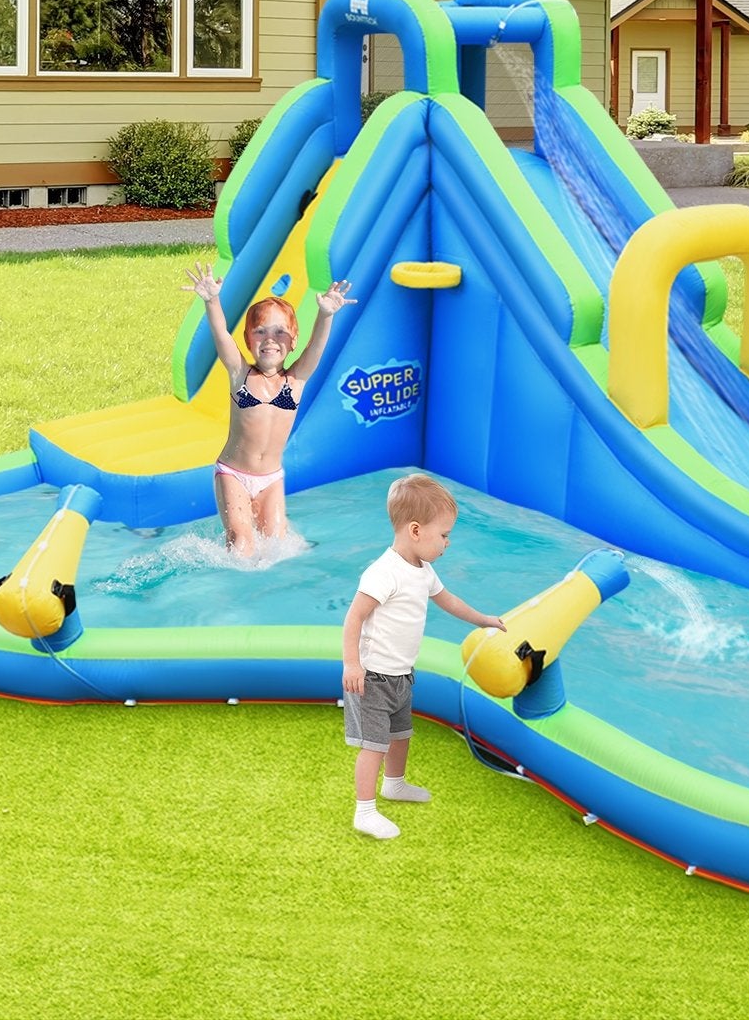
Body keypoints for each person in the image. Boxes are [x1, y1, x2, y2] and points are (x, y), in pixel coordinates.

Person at [341, 474, 507, 840]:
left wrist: (482, 620)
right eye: (444, 534)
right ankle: (364, 811)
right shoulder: (384, 573)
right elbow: (353, 617)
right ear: (416, 530)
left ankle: (394, 784)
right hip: (372, 678)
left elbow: (448, 600)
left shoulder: (423, 570)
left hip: (401, 675)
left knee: (401, 735)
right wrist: (352, 664)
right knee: (374, 746)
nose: (448, 543)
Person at [182, 263, 354, 557]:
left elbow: (316, 346)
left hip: (271, 478)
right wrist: (212, 300)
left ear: (293, 341)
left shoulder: (295, 380)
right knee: (241, 544)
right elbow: (222, 334)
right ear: (249, 341)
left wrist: (325, 315)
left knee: (278, 548)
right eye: (260, 331)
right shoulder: (240, 374)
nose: (271, 339)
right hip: (233, 474)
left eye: (280, 332)